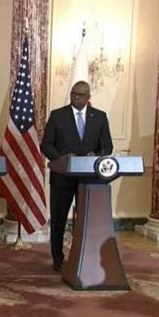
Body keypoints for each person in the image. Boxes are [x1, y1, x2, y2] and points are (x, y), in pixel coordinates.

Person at [40, 80, 113, 272]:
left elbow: (107, 146)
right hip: (62, 178)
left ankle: (84, 256)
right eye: (73, 94)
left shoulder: (99, 117)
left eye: (80, 95)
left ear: (88, 98)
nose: (75, 97)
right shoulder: (58, 116)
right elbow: (46, 144)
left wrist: (96, 156)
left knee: (86, 219)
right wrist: (61, 158)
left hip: (88, 179)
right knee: (58, 219)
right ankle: (57, 259)